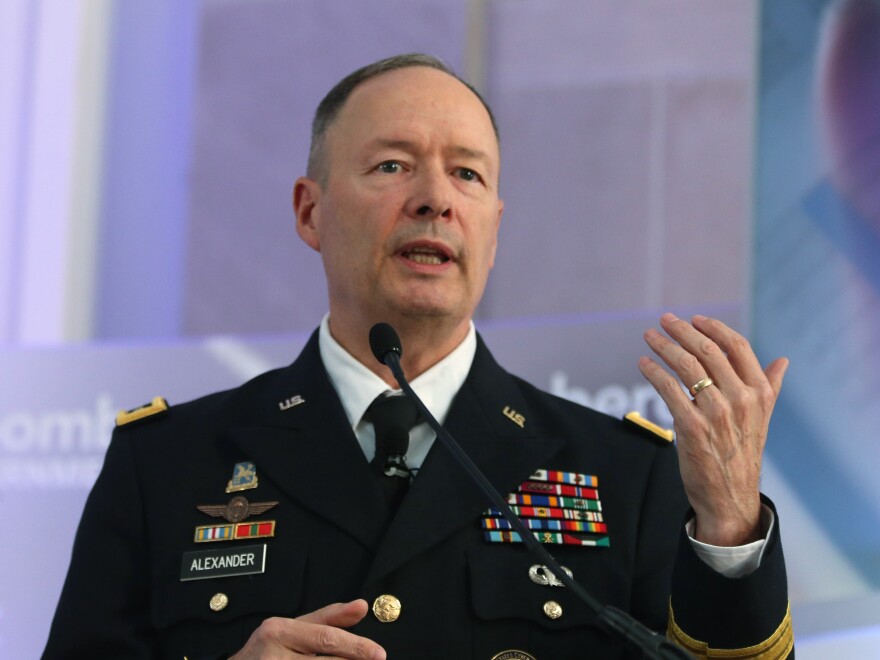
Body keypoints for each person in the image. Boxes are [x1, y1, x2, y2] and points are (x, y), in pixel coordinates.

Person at [43, 54, 793, 659]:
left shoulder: (629, 476)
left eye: (467, 174)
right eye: (393, 166)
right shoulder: (165, 465)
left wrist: (730, 531)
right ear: (310, 210)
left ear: (492, 233)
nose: (436, 198)